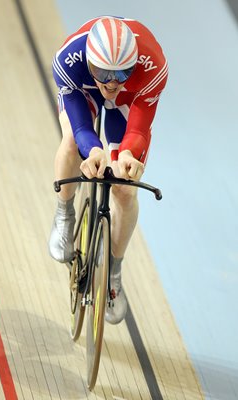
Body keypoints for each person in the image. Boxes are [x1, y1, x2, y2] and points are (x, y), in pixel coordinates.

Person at [49, 16, 168, 324]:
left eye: (122, 73)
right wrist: (93, 149)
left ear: (134, 65)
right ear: (90, 63)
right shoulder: (69, 60)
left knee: (125, 189)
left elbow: (139, 127)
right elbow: (79, 124)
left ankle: (114, 272)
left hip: (132, 100)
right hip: (83, 92)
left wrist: (126, 154)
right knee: (72, 143)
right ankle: (64, 214)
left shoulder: (152, 67)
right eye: (105, 74)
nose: (113, 82)